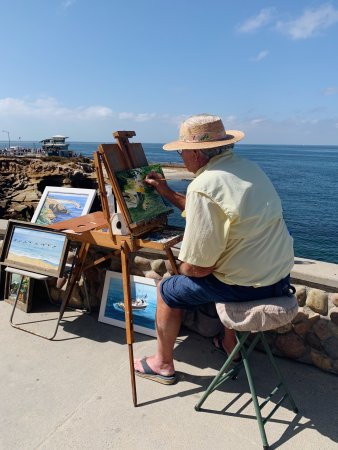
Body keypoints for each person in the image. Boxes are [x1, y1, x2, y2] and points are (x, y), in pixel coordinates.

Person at [134, 113, 294, 384]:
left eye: (183, 150)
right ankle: (229, 344)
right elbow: (213, 209)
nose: (182, 156)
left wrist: (181, 268)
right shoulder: (248, 169)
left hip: (245, 287)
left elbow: (198, 268)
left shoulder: (204, 185)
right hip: (278, 279)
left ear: (197, 154)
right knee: (228, 268)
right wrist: (166, 191)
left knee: (167, 289)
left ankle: (162, 364)